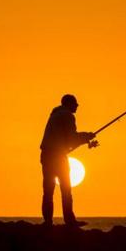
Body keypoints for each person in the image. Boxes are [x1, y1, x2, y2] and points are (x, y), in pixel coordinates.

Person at [40, 94, 97, 227]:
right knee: (66, 189)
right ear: (69, 104)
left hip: (47, 155)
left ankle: (47, 222)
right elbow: (72, 138)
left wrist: (85, 139)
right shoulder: (68, 116)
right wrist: (87, 136)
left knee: (48, 190)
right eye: (75, 103)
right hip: (58, 157)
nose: (77, 106)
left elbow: (66, 140)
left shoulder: (54, 115)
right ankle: (69, 221)